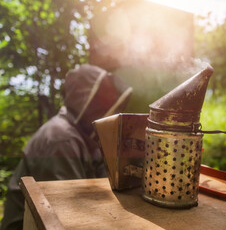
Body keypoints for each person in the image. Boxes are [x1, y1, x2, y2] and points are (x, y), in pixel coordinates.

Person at [0, 64, 132, 230]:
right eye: (101, 104)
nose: (106, 112)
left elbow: (105, 185)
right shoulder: (61, 139)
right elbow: (70, 211)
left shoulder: (85, 138)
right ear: (84, 102)